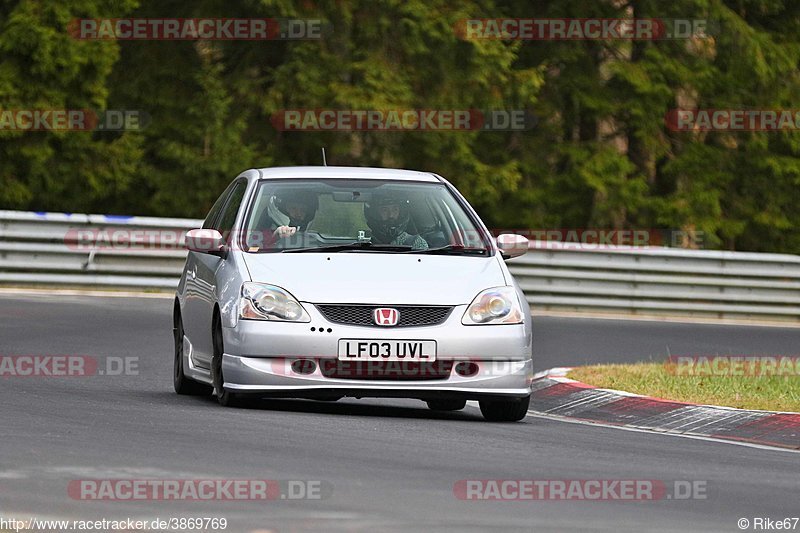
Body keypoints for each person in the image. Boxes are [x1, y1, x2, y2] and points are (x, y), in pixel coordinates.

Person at [364, 193, 428, 250]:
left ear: (401, 213)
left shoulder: (416, 243)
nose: (391, 215)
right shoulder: (363, 247)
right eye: (384, 210)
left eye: (395, 209)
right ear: (376, 214)